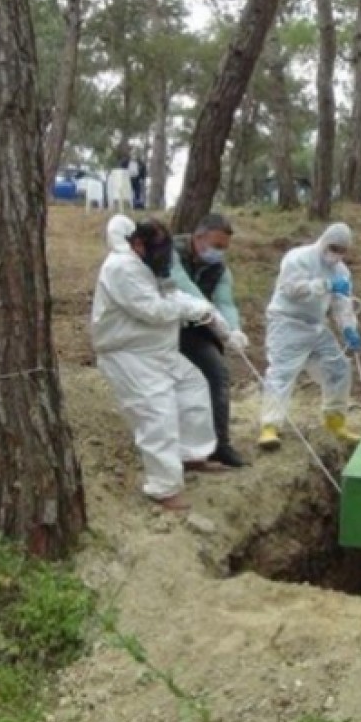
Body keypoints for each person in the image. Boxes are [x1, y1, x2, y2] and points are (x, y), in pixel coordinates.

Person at [91, 215, 222, 511]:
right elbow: (153, 310)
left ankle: (191, 455)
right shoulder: (121, 268)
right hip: (129, 354)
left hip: (158, 350)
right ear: (138, 244)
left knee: (193, 388)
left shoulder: (149, 264)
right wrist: (191, 311)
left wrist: (210, 313)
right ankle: (163, 488)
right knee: (156, 415)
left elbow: (172, 294)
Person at [257, 223, 361, 450]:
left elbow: (341, 304)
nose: (337, 254)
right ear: (324, 242)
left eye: (342, 251)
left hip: (315, 326)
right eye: (334, 248)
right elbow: (291, 289)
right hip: (287, 322)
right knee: (282, 373)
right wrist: (325, 285)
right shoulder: (298, 258)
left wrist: (349, 328)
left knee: (339, 368)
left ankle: (335, 421)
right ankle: (270, 426)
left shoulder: (342, 272)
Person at [169, 212, 250, 468]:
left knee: (217, 373)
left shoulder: (220, 269)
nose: (220, 252)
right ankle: (173, 446)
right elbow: (183, 285)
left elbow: (225, 302)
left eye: (224, 248)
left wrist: (234, 330)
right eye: (216, 245)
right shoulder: (170, 251)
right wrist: (213, 316)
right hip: (161, 323)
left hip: (195, 328)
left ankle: (219, 444)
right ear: (198, 237)